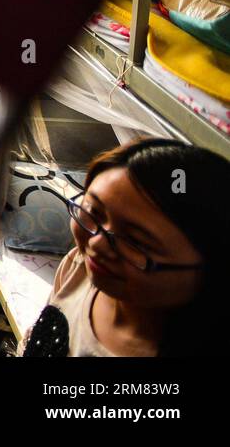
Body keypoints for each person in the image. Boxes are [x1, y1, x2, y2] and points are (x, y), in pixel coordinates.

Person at [22, 137, 230, 357]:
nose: (96, 244)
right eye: (94, 212)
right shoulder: (80, 269)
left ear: (210, 270)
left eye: (135, 241)